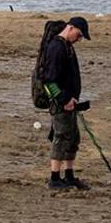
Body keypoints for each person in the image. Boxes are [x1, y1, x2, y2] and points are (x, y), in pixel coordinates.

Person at [39, 16, 92, 190]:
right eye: (79, 34)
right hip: (61, 103)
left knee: (73, 138)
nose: (80, 38)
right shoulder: (56, 48)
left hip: (71, 102)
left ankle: (69, 176)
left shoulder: (66, 46)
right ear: (70, 28)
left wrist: (73, 98)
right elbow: (49, 81)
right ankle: (54, 178)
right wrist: (63, 100)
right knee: (61, 138)